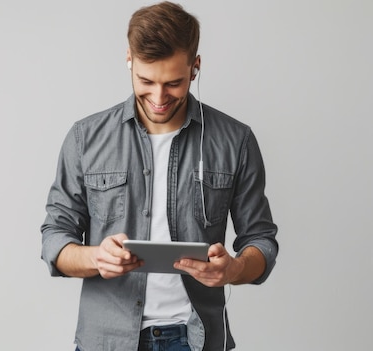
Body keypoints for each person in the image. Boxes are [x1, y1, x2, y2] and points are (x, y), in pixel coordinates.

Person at [40, 2, 278, 350]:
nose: (158, 97)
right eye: (145, 81)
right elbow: (53, 238)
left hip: (195, 338)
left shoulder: (235, 141)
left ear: (195, 67)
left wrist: (233, 270)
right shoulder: (85, 138)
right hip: (106, 340)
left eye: (174, 83)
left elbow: (261, 240)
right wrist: (95, 257)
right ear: (129, 60)